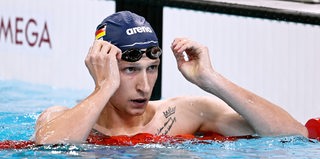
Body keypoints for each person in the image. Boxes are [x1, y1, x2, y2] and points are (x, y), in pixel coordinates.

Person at [34, 11, 308, 145]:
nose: (144, 86)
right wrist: (103, 87)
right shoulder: (57, 118)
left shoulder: (186, 112)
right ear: (103, 64)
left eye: (151, 68)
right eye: (131, 70)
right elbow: (50, 149)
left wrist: (211, 79)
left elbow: (295, 135)